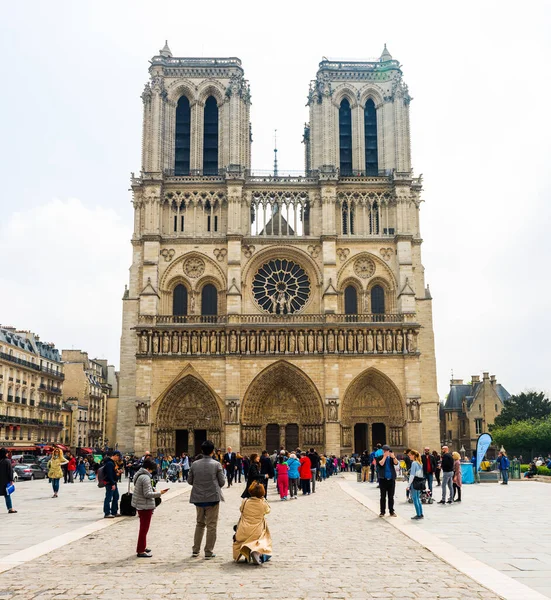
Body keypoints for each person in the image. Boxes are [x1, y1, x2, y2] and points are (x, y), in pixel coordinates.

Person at [188, 440, 225, 559]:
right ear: (212, 451)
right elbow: (222, 482)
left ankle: (195, 550)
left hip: (198, 498)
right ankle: (208, 551)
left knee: (199, 524)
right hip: (212, 498)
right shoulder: (216, 464)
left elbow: (189, 481)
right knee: (211, 525)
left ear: (202, 451)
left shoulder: (194, 464)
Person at [132, 457, 169, 557]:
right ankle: (140, 550)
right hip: (145, 505)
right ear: (148, 469)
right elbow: (147, 493)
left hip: (141, 504)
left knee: (143, 528)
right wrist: (159, 493)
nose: (152, 472)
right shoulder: (145, 477)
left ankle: (142, 546)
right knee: (144, 529)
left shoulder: (140, 475)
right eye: (152, 470)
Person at [233, 481, 272, 565]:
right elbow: (268, 510)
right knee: (265, 539)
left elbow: (241, 509)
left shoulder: (245, 501)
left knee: (245, 539)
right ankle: (258, 553)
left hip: (243, 530)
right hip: (257, 531)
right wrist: (264, 499)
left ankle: (248, 552)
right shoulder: (262, 503)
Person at [377, 445, 398, 517]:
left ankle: (391, 511)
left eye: (387, 451)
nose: (386, 452)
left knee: (391, 496)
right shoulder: (379, 457)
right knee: (382, 496)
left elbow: (396, 463)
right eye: (385, 451)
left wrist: (393, 457)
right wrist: (385, 457)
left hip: (391, 479)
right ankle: (382, 512)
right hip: (383, 479)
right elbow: (381, 463)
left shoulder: (391, 458)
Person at [103, 450, 122, 518]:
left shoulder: (112, 463)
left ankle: (114, 511)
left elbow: (112, 472)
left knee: (116, 496)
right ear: (115, 455)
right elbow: (109, 474)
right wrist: (112, 483)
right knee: (108, 497)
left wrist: (118, 472)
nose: (118, 459)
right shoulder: (109, 463)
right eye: (118, 457)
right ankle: (107, 512)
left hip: (113, 482)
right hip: (110, 483)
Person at [407, 450, 424, 520]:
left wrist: (408, 485)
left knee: (415, 498)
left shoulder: (414, 463)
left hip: (414, 482)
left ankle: (418, 514)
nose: (409, 456)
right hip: (419, 482)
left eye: (410, 455)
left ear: (413, 455)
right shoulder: (419, 463)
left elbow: (412, 475)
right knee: (418, 498)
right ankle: (421, 513)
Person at [0, 449, 16, 514]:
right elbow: (10, 471)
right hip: (5, 481)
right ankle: (10, 508)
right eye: (6, 453)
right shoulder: (7, 461)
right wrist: (11, 480)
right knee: (7, 495)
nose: (7, 454)